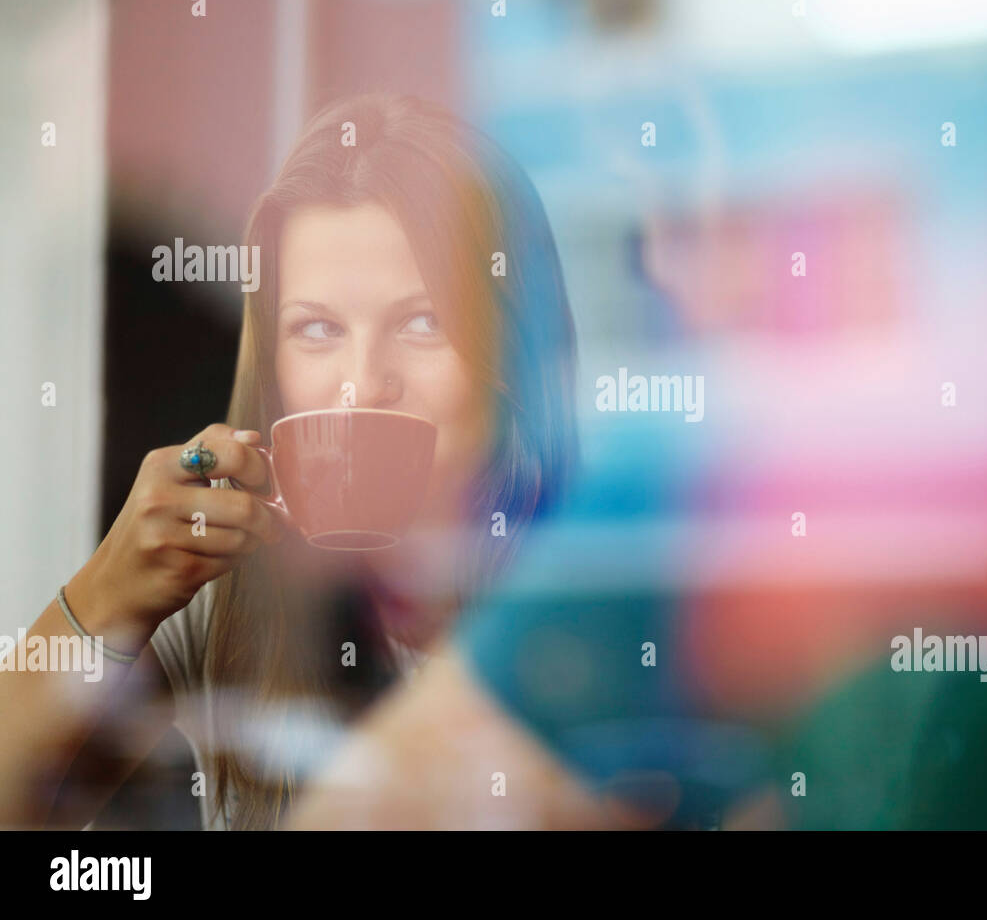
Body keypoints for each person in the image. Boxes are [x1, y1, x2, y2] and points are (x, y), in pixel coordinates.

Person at [0, 93, 582, 830]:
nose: (363, 383)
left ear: (512, 351)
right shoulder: (215, 599)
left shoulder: (599, 611)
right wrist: (111, 591)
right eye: (316, 329)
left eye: (423, 321)